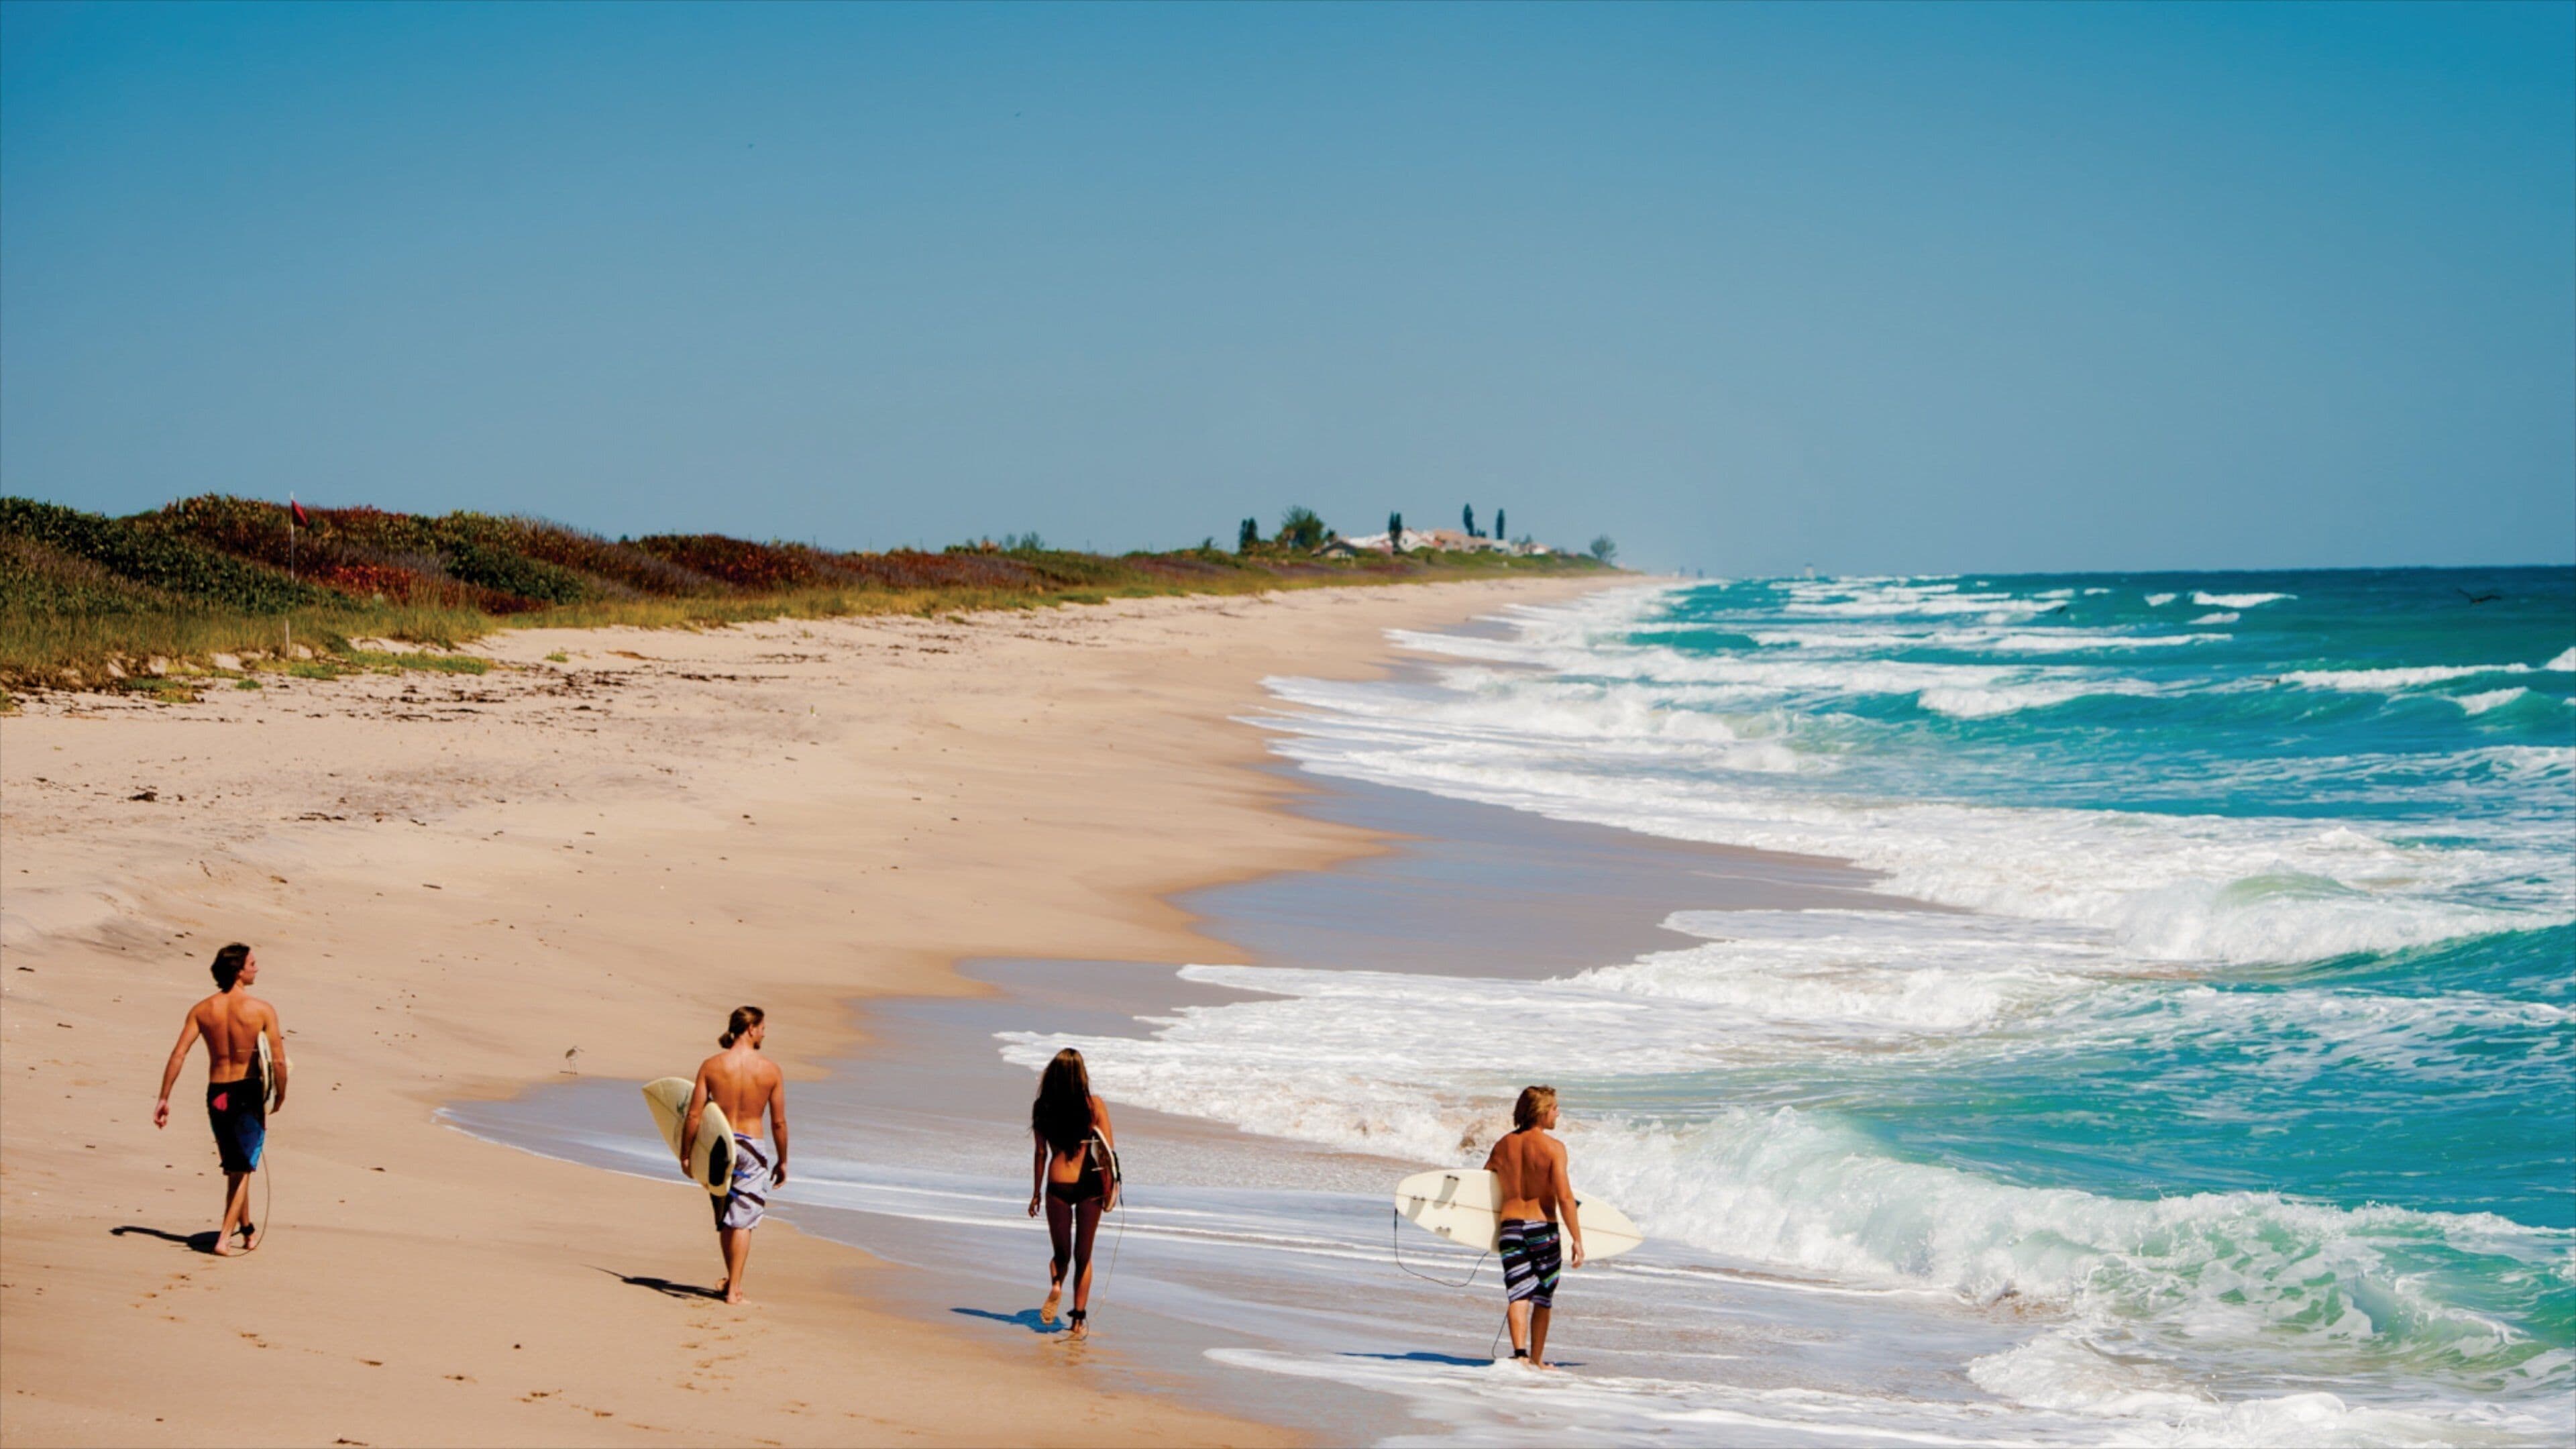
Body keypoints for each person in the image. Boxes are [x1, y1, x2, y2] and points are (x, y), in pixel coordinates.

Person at [154, 943, 286, 1256]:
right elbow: (278, 1061)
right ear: (239, 971)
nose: (257, 968)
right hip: (248, 1092)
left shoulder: (202, 1010)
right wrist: (280, 1094)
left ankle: (248, 1231)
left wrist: (164, 1097)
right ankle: (224, 1238)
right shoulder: (261, 1010)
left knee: (236, 1165)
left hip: (218, 1095)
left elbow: (179, 1054)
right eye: (253, 963)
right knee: (242, 1168)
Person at [683, 1006, 789, 1304]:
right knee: (742, 1219)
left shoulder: (712, 1065)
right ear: (752, 1028)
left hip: (720, 1143)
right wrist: (783, 1160)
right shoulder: (770, 1070)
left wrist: (686, 1154)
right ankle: (734, 1289)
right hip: (751, 1148)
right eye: (763, 1028)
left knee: (726, 1215)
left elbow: (694, 1115)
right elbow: (778, 1122)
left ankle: (732, 1279)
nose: (765, 1033)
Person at [1483, 1084, 1584, 1366]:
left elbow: (1485, 1187)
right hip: (1543, 1230)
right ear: (1542, 1113)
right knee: (1543, 1296)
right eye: (1554, 1108)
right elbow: (1564, 1197)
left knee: (1518, 1292)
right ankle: (1538, 1361)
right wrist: (1577, 1238)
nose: (1558, 1113)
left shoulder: (1503, 1145)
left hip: (1511, 1228)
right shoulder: (1554, 1148)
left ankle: (1520, 1356)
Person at [1026, 1047, 1118, 1340]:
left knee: (1061, 1254)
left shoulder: (1042, 1107)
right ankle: (1078, 1320)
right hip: (1088, 1183)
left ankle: (1056, 1284)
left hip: (1057, 1183)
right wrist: (1112, 1188)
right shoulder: (1095, 1105)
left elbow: (1041, 1152)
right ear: (1082, 1075)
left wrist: (1036, 1193)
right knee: (1084, 1255)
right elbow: (1108, 1153)